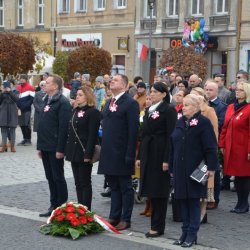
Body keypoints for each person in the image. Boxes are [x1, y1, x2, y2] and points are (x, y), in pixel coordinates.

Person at [170, 94, 218, 247]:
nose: (183, 107)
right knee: (182, 201)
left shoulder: (203, 123)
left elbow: (211, 147)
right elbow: (173, 144)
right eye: (183, 104)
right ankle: (184, 233)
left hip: (196, 168)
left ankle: (192, 234)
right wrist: (171, 165)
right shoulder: (180, 121)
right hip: (179, 168)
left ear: (196, 107)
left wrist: (211, 167)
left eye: (187, 105)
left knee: (193, 202)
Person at [98, 74, 139, 231]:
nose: (111, 82)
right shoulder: (109, 102)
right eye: (111, 80)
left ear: (124, 85)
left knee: (125, 187)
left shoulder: (130, 103)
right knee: (113, 186)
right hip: (109, 151)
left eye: (115, 80)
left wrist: (130, 153)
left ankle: (125, 218)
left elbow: (133, 131)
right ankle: (114, 216)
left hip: (122, 152)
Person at [136, 82, 177, 238]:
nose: (151, 94)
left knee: (159, 191)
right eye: (150, 91)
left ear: (164, 94)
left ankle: (158, 226)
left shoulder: (168, 110)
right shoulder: (148, 110)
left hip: (160, 154)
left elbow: (170, 136)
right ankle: (154, 222)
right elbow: (144, 135)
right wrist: (139, 156)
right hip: (148, 152)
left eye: (154, 91)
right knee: (151, 190)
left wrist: (167, 159)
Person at [37, 74, 71, 217]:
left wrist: (60, 149)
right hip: (45, 145)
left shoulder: (62, 102)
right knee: (50, 176)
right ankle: (53, 204)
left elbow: (63, 128)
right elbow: (43, 124)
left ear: (55, 86)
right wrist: (39, 146)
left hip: (55, 146)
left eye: (48, 82)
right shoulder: (47, 100)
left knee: (58, 176)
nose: (44, 84)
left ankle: (61, 205)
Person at [65, 86, 101, 210]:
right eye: (77, 95)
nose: (77, 97)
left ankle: (86, 210)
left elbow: (92, 135)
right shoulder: (75, 111)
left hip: (84, 151)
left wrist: (88, 154)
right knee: (77, 183)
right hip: (74, 151)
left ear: (87, 96)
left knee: (85, 182)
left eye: (80, 95)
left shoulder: (93, 112)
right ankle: (80, 208)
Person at [219, 81, 250, 214]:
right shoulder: (231, 107)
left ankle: (243, 203)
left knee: (244, 177)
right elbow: (225, 126)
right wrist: (222, 143)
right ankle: (240, 202)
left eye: (241, 90)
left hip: (243, 148)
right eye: (237, 89)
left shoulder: (248, 108)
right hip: (231, 147)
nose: (237, 92)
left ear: (247, 93)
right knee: (236, 176)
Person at [190, 87, 218, 222]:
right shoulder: (189, 112)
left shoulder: (209, 111)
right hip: (192, 154)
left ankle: (202, 213)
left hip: (204, 155)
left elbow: (214, 134)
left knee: (203, 184)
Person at [0, 80, 19, 152]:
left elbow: (16, 99)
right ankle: (4, 146)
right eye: (7, 85)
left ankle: (12, 146)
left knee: (12, 130)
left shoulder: (16, 92)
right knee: (3, 130)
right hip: (3, 113)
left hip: (12, 113)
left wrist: (10, 91)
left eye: (10, 84)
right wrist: (2, 93)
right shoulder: (2, 93)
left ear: (12, 85)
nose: (8, 86)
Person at [16, 74, 35, 146]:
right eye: (21, 78)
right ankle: (24, 139)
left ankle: (28, 140)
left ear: (26, 79)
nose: (21, 79)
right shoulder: (18, 87)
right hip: (19, 109)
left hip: (26, 109)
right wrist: (17, 106)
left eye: (23, 78)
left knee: (26, 124)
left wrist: (23, 107)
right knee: (21, 125)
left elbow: (31, 100)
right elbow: (16, 98)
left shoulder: (30, 87)